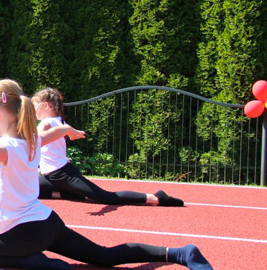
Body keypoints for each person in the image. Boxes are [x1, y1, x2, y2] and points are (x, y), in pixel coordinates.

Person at [0, 79, 216, 270]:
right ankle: (180, 253)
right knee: (104, 256)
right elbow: (54, 133)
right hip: (47, 223)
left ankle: (33, 260)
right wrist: (67, 130)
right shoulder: (31, 140)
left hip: (20, 233)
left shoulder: (6, 146)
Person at [32, 87, 184, 207]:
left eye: (35, 106)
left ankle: (155, 197)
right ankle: (68, 194)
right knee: (26, 190)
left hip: (64, 175)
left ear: (46, 105)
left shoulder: (47, 123)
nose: (33, 110)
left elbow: (35, 141)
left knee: (107, 198)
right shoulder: (59, 121)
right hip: (51, 177)